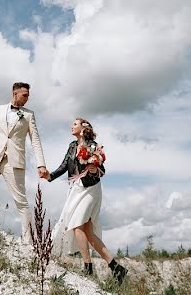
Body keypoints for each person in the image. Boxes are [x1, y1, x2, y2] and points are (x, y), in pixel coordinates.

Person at [46, 118, 127, 283]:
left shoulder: (93, 145)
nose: (71, 126)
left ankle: (88, 268)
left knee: (76, 226)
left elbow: (102, 169)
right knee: (88, 233)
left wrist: (95, 168)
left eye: (75, 124)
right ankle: (116, 268)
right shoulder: (71, 146)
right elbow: (64, 166)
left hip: (91, 189)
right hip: (75, 189)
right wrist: (49, 176)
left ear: (83, 127)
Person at [0, 81, 48, 244]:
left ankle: (28, 241)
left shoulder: (29, 115)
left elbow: (35, 141)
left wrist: (41, 164)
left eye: (28, 95)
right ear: (15, 94)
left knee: (20, 200)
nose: (27, 98)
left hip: (15, 162)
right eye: (25, 95)